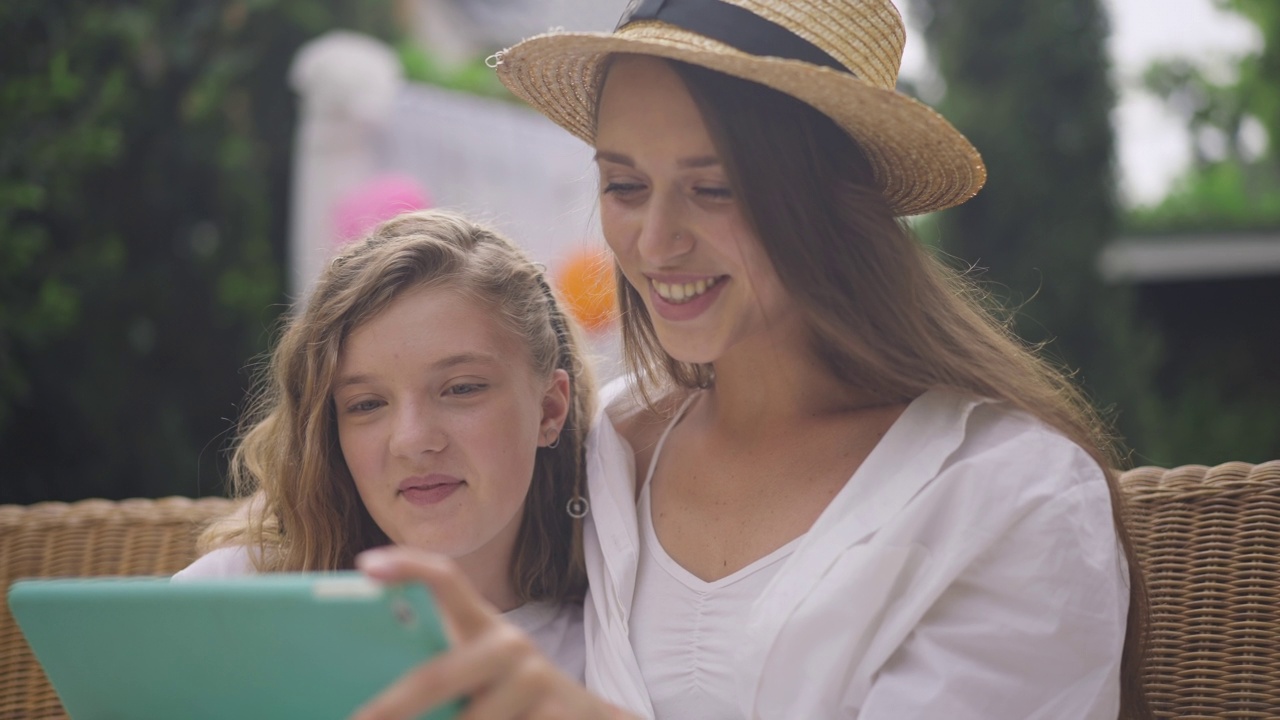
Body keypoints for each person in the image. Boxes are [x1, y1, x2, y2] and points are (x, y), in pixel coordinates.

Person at [352, 0, 1151, 718]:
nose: (656, 242)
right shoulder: (609, 447)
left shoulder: (1009, 496)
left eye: (716, 189)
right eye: (625, 185)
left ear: (836, 201)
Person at [174, 209, 596, 679]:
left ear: (551, 410)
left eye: (461, 389)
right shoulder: (231, 603)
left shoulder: (608, 654)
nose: (412, 441)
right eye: (367, 404)